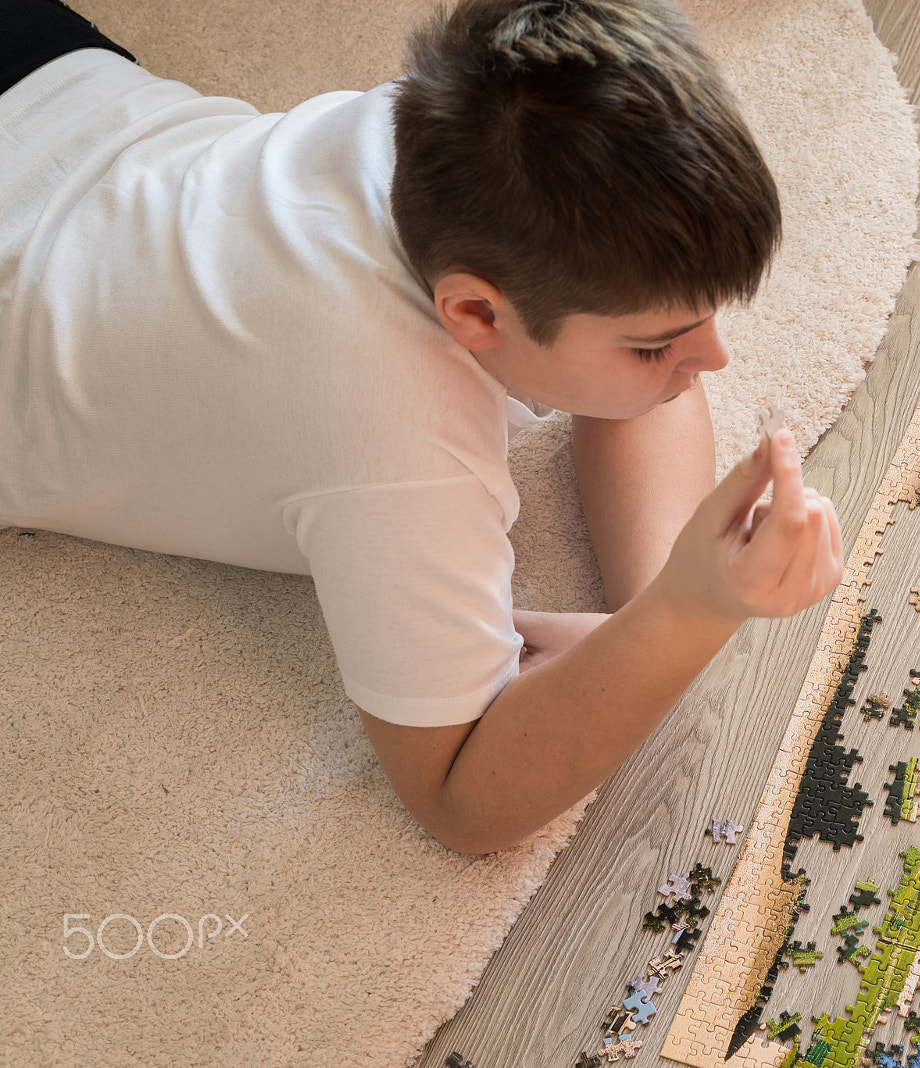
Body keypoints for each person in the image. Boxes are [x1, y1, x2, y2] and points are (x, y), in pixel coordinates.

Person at [0, 0, 844, 853]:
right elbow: (460, 801)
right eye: (656, 345)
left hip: (50, 81)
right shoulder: (390, 438)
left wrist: (648, 607)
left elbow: (635, 385)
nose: (716, 360)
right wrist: (690, 614)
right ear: (476, 311)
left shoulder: (474, 121)